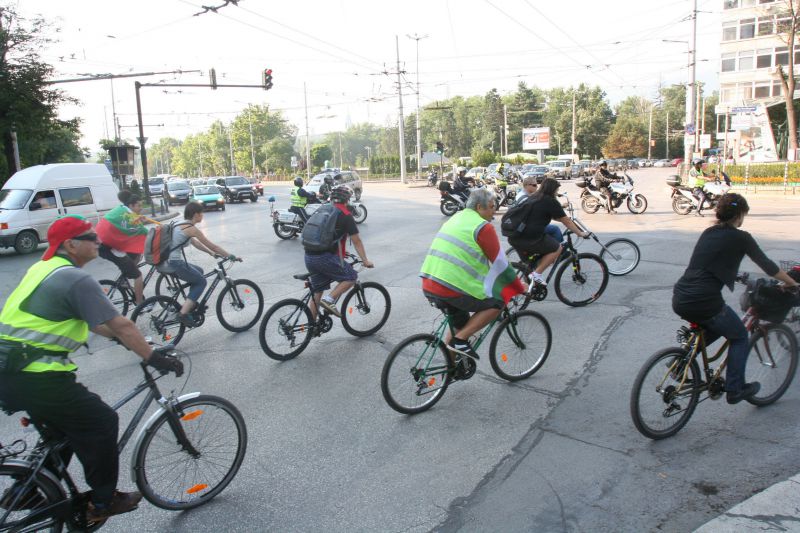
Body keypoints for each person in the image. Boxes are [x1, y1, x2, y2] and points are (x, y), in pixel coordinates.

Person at [0, 216, 184, 522]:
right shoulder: (76, 278)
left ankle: (30, 488)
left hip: (10, 368)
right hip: (34, 374)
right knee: (101, 421)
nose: (98, 241)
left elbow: (95, 321)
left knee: (62, 430)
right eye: (90, 237)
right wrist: (154, 357)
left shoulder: (43, 269)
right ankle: (102, 503)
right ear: (71, 244)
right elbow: (121, 324)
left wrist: (129, 341)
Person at [672, 193, 799, 404]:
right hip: (705, 301)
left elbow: (710, 260)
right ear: (739, 215)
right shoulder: (742, 237)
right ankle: (735, 389)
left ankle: (680, 364)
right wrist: (791, 282)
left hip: (681, 296)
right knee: (739, 336)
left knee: (713, 327)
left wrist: (733, 274)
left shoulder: (708, 232)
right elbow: (767, 266)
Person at [420, 188, 527, 361]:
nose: (494, 211)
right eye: (492, 207)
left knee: (459, 326)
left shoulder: (456, 217)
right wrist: (519, 286)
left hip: (429, 281)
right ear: (479, 207)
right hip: (450, 288)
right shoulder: (483, 227)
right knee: (498, 302)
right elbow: (500, 263)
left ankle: (451, 369)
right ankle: (461, 340)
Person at [304, 185, 373, 319]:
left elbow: (325, 235)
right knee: (351, 277)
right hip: (324, 258)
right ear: (347, 200)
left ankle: (312, 327)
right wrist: (365, 261)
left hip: (309, 256)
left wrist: (341, 251)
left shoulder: (324, 209)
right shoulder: (346, 215)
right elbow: (357, 241)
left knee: (317, 291)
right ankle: (329, 300)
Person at [164, 201, 237, 327]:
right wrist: (230, 256)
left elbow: (196, 243)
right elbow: (213, 246)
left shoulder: (181, 224)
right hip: (176, 263)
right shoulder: (191, 229)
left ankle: (190, 302)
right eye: (201, 213)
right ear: (196, 214)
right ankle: (183, 313)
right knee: (202, 281)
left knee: (199, 271)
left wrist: (210, 253)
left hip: (170, 261)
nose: (202, 216)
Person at [508, 178, 589, 286]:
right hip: (528, 236)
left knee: (533, 263)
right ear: (552, 189)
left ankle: (531, 287)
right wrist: (580, 233)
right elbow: (567, 222)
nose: (557, 192)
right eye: (557, 189)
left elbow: (553, 216)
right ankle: (536, 274)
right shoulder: (550, 201)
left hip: (515, 235)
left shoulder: (536, 197)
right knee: (558, 248)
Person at [96, 190, 149, 305]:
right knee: (138, 275)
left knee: (136, 254)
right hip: (108, 247)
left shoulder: (121, 209)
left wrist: (139, 221)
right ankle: (140, 304)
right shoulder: (129, 215)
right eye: (139, 205)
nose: (141, 208)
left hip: (102, 243)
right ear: (131, 205)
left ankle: (125, 277)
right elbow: (144, 232)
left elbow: (131, 229)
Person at [515, 176, 563, 244]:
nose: (537, 187)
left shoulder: (526, 195)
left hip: (527, 224)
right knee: (555, 229)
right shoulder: (524, 198)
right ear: (526, 185)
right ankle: (558, 249)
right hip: (526, 226)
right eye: (534, 185)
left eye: (537, 185)